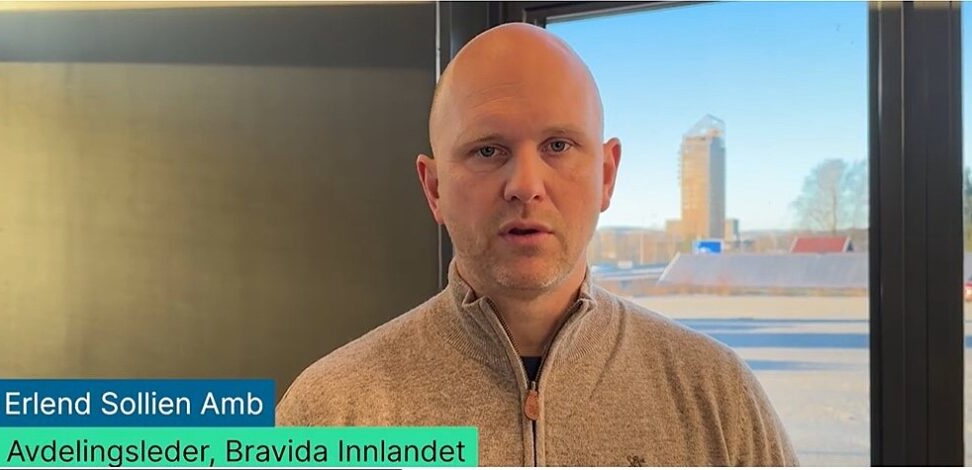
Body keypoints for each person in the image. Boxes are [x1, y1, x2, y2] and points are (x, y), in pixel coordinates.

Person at [276, 22, 798, 466]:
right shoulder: (327, 415)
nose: (525, 185)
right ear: (434, 189)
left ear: (607, 175)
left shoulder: (718, 399)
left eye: (558, 145)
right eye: (488, 150)